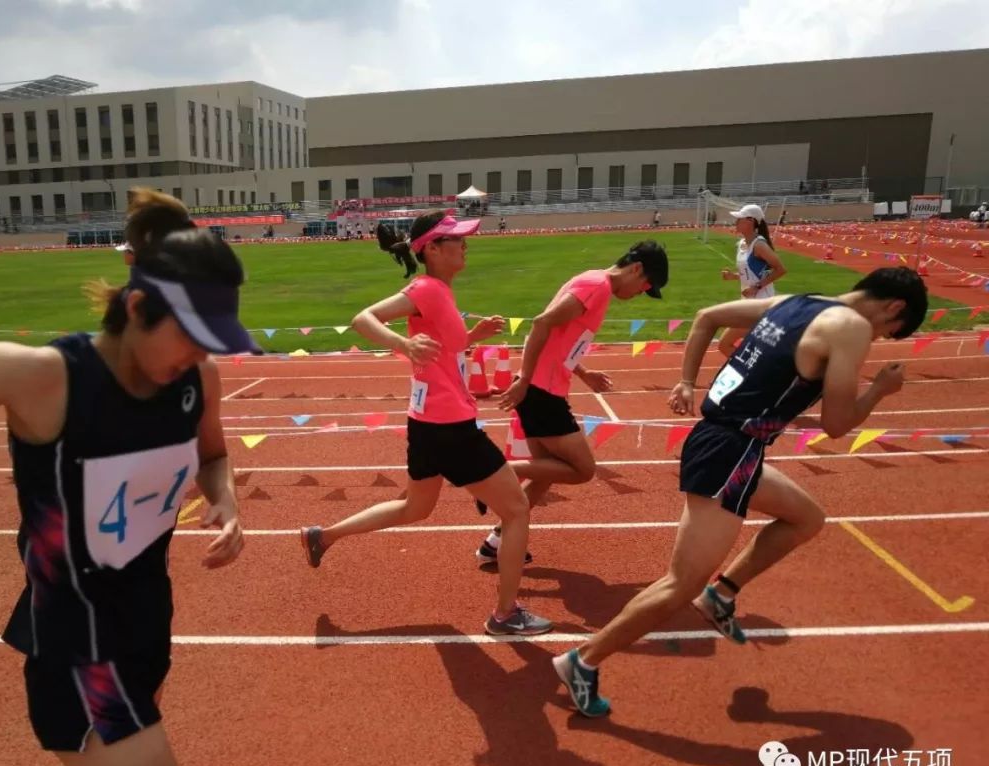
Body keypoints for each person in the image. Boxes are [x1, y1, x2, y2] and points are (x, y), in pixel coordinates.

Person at [0, 188, 260, 766]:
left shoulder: (195, 378)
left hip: (147, 627)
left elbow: (213, 454)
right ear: (138, 305)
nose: (204, 355)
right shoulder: (42, 375)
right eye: (192, 336)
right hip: (77, 650)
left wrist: (224, 497)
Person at [552, 267, 928, 717]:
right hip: (731, 451)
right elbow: (836, 424)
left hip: (726, 443)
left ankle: (723, 593)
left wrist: (687, 380)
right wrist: (881, 391)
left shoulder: (792, 302)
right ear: (894, 307)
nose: (880, 338)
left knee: (806, 518)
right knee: (679, 583)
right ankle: (583, 660)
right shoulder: (850, 327)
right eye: (890, 332)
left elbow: (707, 316)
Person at [300, 210, 553, 636]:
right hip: (450, 426)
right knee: (516, 509)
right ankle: (506, 614)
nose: (465, 245)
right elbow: (364, 319)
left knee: (414, 507)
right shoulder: (427, 289)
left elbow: (443, 351)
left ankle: (322, 537)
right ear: (432, 250)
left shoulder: (441, 293)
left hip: (428, 421)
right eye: (455, 239)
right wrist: (403, 343)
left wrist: (473, 338)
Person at [477, 241, 669, 565]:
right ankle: (492, 473)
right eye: (645, 286)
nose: (640, 293)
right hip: (541, 393)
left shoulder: (597, 286)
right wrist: (523, 380)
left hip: (545, 389)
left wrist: (583, 372)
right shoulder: (596, 286)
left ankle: (498, 541)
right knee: (583, 470)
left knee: (543, 476)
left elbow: (561, 338)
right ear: (636, 269)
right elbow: (541, 323)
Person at [718, 204, 788, 357]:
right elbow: (750, 274)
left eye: (739, 219)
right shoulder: (742, 244)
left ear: (750, 221)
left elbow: (780, 269)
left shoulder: (760, 245)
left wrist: (756, 287)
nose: (736, 222)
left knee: (725, 344)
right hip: (747, 301)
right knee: (755, 351)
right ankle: (757, 375)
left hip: (760, 304)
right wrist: (734, 276)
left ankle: (750, 375)